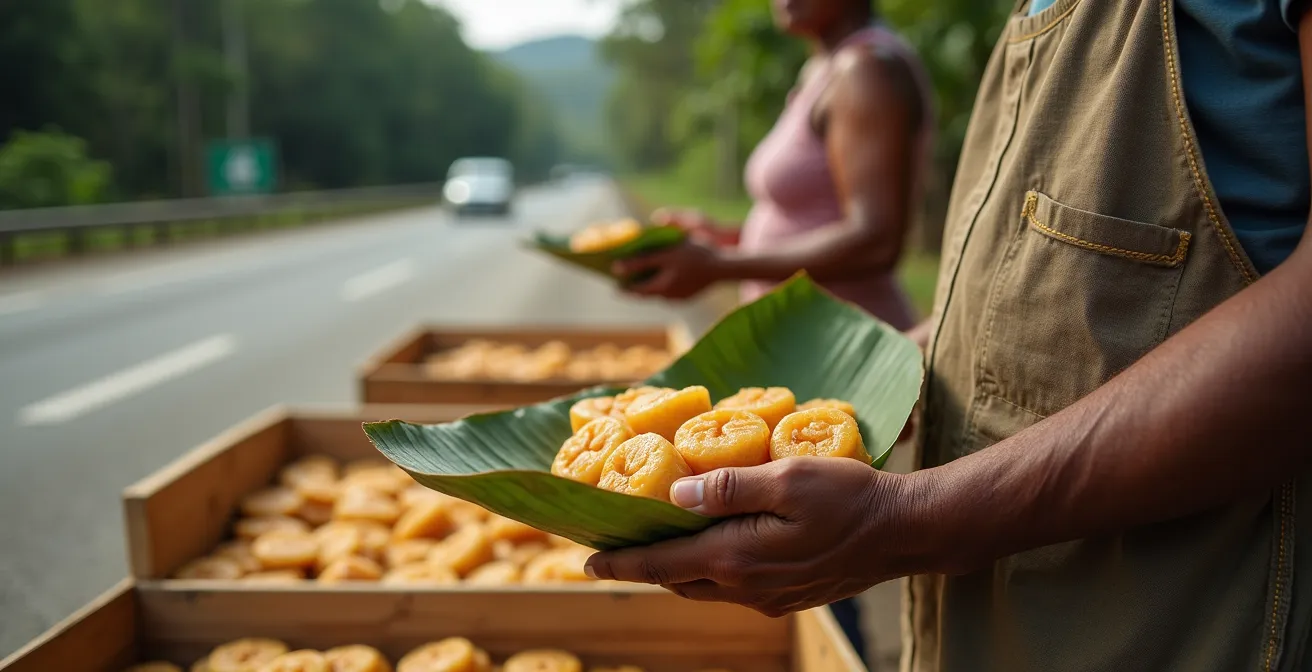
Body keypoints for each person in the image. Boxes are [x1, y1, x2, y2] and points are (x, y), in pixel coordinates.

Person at [586, 1, 1312, 671]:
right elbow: (1035, 280)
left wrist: (908, 520)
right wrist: (892, 372)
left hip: (1185, 620)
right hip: (988, 616)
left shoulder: (871, 68)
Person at [615, 0, 933, 333]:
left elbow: (875, 242)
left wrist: (716, 266)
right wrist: (725, 240)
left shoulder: (865, 71)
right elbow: (814, 222)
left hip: (846, 347)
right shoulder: (822, 70)